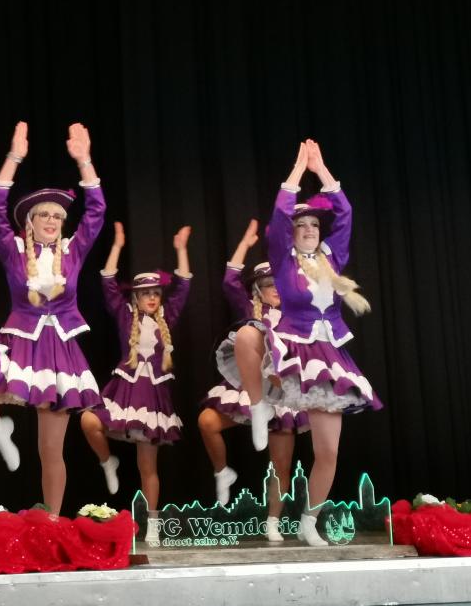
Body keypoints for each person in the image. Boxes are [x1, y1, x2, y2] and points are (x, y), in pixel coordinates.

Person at [226, 140, 380, 546]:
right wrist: (297, 171)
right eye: (302, 227)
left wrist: (323, 171)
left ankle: (310, 519)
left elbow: (345, 213)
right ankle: (259, 406)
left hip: (329, 358)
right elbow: (277, 216)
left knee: (328, 452)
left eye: (314, 226)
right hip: (289, 347)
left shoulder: (332, 258)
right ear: (291, 235)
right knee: (245, 334)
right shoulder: (281, 259)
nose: (309, 231)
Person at [0, 122, 104, 517]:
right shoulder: (14, 249)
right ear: (31, 221)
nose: (53, 222)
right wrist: (14, 158)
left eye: (57, 216)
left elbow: (97, 212)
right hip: (18, 338)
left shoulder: (73, 252)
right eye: (44, 216)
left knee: (50, 450)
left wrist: (84, 160)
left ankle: (53, 520)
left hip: (59, 352)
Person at [80, 222, 191, 546]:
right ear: (137, 297)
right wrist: (116, 245)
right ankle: (107, 461)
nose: (153, 298)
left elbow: (184, 286)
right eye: (146, 294)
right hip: (124, 390)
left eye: (156, 293)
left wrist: (181, 249)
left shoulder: (166, 319)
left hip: (152, 395)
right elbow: (107, 282)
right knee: (88, 421)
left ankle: (153, 524)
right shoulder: (124, 315)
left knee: (147, 465)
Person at [201, 219, 308, 541]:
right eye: (268, 284)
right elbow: (230, 279)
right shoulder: (251, 309)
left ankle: (273, 521)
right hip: (248, 388)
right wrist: (245, 244)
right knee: (207, 422)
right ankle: (223, 471)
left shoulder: (298, 315)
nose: (276, 289)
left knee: (281, 462)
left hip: (283, 390)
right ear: (258, 290)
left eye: (279, 283)